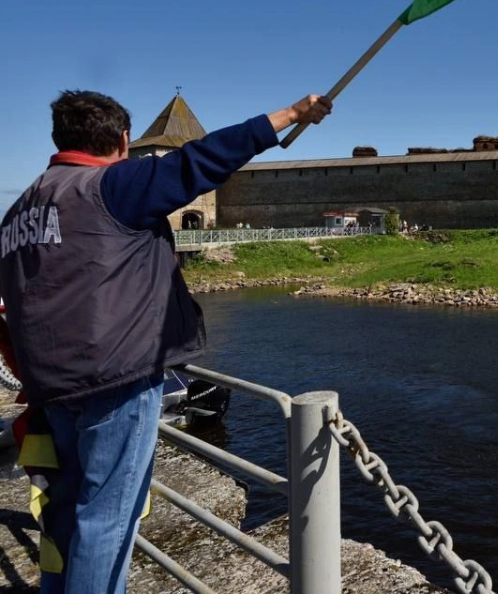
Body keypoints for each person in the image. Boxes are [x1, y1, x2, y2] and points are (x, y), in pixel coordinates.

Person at [0, 89, 332, 592]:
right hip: (115, 383)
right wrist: (290, 115)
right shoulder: (111, 186)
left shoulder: (19, 211)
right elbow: (202, 159)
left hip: (51, 388)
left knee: (65, 511)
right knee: (106, 522)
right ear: (124, 141)